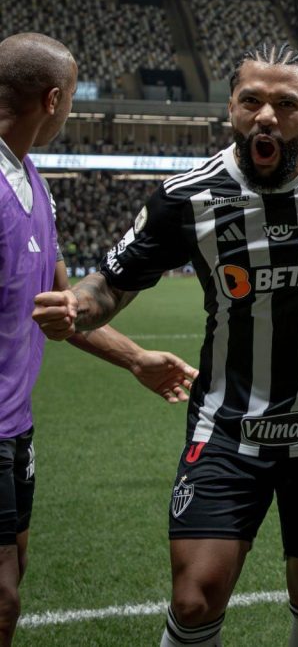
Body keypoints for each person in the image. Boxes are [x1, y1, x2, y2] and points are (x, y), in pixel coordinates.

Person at [33, 43, 298, 647]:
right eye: (252, 101)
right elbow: (111, 284)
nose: (266, 116)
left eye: (285, 104)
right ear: (231, 110)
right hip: (228, 426)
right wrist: (78, 306)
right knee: (195, 598)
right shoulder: (186, 197)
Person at [1, 32, 197, 647]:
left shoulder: (32, 177)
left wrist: (135, 358)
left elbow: (62, 310)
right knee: (2, 596)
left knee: (17, 570)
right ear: (55, 99)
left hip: (15, 426)